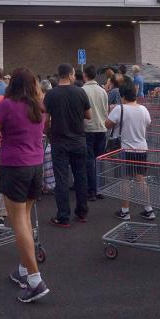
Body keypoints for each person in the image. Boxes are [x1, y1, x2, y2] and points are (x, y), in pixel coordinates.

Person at [0, 68, 50, 302]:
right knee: (25, 218)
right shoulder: (39, 106)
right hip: (35, 165)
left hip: (14, 166)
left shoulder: (7, 105)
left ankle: (36, 281)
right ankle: (24, 270)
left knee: (18, 223)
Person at [44, 63, 91, 227]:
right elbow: (89, 115)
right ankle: (82, 212)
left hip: (59, 141)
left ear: (59, 75)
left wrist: (49, 133)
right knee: (80, 176)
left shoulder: (51, 94)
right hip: (79, 140)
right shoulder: (80, 91)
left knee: (61, 179)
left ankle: (63, 216)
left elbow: (45, 121)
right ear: (71, 75)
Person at [105, 76, 154, 221]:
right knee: (141, 179)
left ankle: (125, 210)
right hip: (142, 148)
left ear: (122, 95)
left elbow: (107, 124)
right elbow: (148, 123)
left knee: (124, 179)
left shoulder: (119, 109)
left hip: (125, 149)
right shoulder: (143, 109)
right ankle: (148, 209)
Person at [81, 64, 109, 201]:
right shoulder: (103, 91)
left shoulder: (82, 91)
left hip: (88, 129)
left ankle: (91, 190)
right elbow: (106, 110)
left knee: (89, 160)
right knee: (100, 159)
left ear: (85, 75)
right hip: (101, 128)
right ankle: (99, 189)